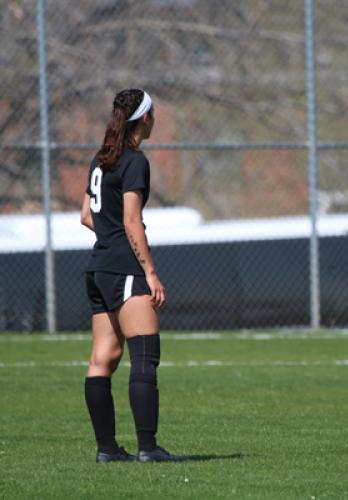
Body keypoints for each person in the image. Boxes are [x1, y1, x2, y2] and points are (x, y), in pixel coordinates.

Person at [80, 88, 177, 462]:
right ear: (145, 119)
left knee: (103, 357)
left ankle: (107, 449)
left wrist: (110, 239)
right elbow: (131, 220)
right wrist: (150, 273)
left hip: (97, 268)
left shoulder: (100, 159)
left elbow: (87, 216)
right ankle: (148, 448)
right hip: (124, 269)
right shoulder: (135, 161)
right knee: (145, 355)